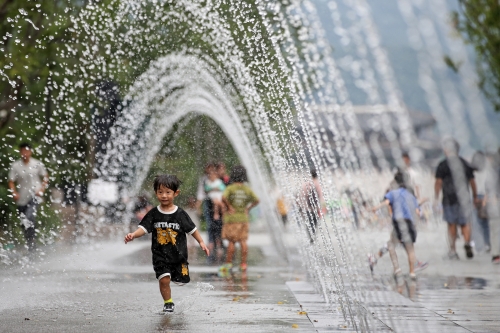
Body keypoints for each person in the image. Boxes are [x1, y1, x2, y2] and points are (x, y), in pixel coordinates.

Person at [124, 174, 209, 313]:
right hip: (160, 254)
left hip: (178, 254)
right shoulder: (153, 213)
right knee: (164, 279)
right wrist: (133, 235)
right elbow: (143, 228)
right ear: (156, 193)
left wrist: (201, 242)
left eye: (168, 192)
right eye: (160, 192)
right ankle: (168, 303)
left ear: (176, 193)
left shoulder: (180, 214)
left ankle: (177, 277)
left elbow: (192, 229)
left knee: (181, 281)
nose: (164, 195)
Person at [371, 172, 421, 283]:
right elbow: (417, 211)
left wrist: (376, 208)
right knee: (410, 248)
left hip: (398, 222)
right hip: (409, 222)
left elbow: (386, 202)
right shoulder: (410, 195)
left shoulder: (393, 193)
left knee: (391, 245)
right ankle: (412, 273)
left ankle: (397, 269)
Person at [435, 138, 477, 259]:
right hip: (463, 198)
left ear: (447, 149)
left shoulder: (443, 164)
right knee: (465, 223)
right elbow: (472, 181)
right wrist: (474, 196)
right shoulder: (464, 163)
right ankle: (467, 243)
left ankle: (453, 251)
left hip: (449, 199)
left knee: (451, 224)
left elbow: (438, 182)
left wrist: (436, 197)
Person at [8, 143, 49, 253]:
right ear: (20, 152)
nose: (25, 153)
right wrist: (14, 193)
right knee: (24, 222)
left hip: (35, 195)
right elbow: (11, 181)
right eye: (23, 151)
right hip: (22, 197)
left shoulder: (37, 163)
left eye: (27, 151)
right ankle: (30, 242)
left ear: (31, 152)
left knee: (29, 216)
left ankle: (32, 241)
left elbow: (45, 176)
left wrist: (42, 189)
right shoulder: (16, 166)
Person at [219, 165, 259, 273]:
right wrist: (248, 208)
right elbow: (257, 200)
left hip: (231, 219)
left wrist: (229, 207)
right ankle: (243, 264)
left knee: (232, 242)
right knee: (243, 241)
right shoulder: (247, 189)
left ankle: (228, 264)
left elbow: (223, 197)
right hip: (243, 219)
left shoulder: (230, 188)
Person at [196, 163, 223, 263]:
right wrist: (198, 205)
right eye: (209, 170)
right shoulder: (205, 180)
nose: (210, 172)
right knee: (210, 224)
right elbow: (201, 193)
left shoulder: (218, 180)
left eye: (212, 170)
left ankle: (218, 243)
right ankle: (211, 243)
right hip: (208, 202)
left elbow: (223, 189)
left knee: (218, 224)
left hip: (217, 203)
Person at [471, 151, 490, 251]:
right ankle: (488, 243)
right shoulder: (488, 171)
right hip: (485, 196)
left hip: (474, 196)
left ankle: (479, 246)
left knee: (476, 223)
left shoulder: (471, 172)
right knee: (486, 222)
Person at [300, 169, 326, 243]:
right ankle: (313, 235)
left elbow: (303, 195)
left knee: (309, 222)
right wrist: (322, 207)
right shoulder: (318, 184)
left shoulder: (307, 184)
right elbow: (321, 196)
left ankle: (310, 235)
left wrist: (302, 206)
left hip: (308, 208)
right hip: (316, 208)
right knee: (315, 222)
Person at [484, 150, 500, 264]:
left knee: (495, 229)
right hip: (496, 201)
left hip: (496, 202)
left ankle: (496, 254)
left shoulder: (494, 170)